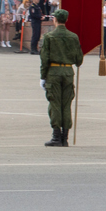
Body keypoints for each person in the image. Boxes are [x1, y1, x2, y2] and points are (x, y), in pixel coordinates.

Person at [39, 8, 84, 147]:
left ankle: (56, 136)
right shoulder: (74, 37)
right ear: (67, 20)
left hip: (54, 72)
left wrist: (42, 76)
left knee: (55, 104)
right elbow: (79, 60)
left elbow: (44, 58)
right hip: (68, 72)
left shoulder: (49, 37)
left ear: (55, 19)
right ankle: (65, 137)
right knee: (66, 104)